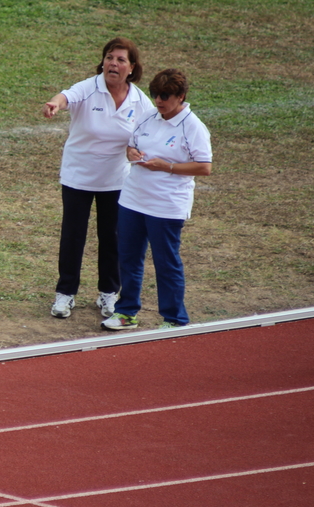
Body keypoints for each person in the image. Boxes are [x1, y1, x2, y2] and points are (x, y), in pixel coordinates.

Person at [42, 37, 155, 320]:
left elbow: (148, 134)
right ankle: (65, 294)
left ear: (132, 68)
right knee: (73, 237)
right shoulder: (89, 87)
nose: (112, 64)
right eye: (109, 58)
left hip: (116, 181)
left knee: (113, 238)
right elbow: (65, 97)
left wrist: (135, 150)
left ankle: (108, 293)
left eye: (120, 60)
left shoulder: (140, 101)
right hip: (78, 177)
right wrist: (54, 104)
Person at [102, 68, 212, 331]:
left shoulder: (192, 126)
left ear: (180, 96)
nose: (158, 101)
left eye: (165, 95)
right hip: (132, 199)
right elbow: (131, 145)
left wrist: (167, 167)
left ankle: (175, 318)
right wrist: (131, 153)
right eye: (154, 94)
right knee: (128, 258)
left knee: (166, 262)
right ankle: (127, 312)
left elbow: (204, 166)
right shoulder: (149, 116)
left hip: (166, 205)